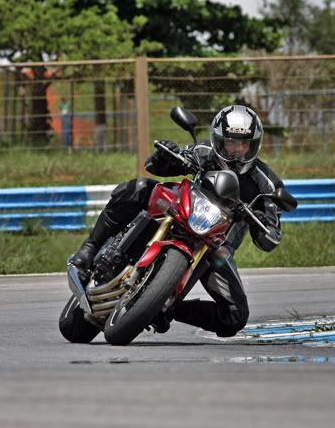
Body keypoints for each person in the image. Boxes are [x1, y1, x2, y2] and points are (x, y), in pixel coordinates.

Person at [69, 105, 284, 337]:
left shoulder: (266, 184)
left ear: (254, 145)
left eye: (243, 144)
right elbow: (155, 166)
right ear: (219, 139)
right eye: (231, 142)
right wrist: (165, 155)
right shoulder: (204, 150)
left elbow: (270, 238)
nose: (236, 151)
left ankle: (167, 307)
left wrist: (261, 220)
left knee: (235, 316)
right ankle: (89, 249)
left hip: (216, 246)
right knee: (139, 188)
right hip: (180, 211)